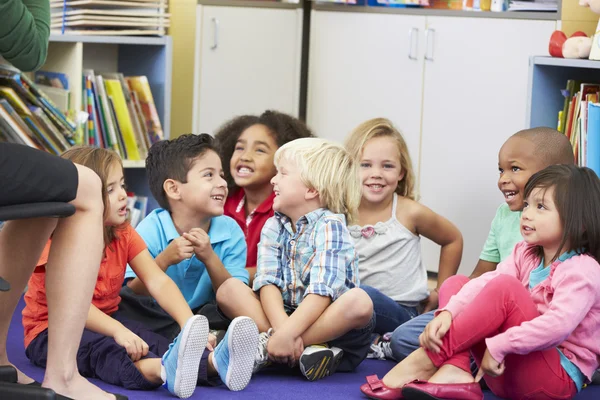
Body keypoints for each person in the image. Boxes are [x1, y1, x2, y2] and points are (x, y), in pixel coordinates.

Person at [22, 147, 259, 398]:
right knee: (107, 351)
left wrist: (189, 324)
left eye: (122, 185)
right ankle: (163, 370)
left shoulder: (123, 232)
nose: (124, 195)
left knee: (155, 339)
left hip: (109, 318)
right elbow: (71, 306)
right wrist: (117, 331)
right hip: (52, 332)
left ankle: (215, 363)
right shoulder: (56, 239)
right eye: (110, 190)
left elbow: (157, 280)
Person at [362, 164, 600, 400]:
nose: (527, 213)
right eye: (527, 204)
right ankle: (456, 369)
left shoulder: (582, 269)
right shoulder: (524, 252)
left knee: (506, 288)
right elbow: (485, 282)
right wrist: (447, 312)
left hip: (551, 381)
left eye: (541, 207)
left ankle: (429, 359)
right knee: (456, 284)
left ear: (578, 223)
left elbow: (557, 327)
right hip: (501, 370)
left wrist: (499, 345)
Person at [378, 127, 575, 362]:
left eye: (514, 169)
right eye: (501, 170)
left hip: (529, 324)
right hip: (487, 313)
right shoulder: (503, 214)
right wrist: (449, 311)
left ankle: (460, 361)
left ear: (553, 174)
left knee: (440, 347)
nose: (503, 179)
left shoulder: (568, 225)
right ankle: (461, 361)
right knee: (405, 339)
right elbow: (480, 275)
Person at [217, 138, 374, 381]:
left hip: (332, 325)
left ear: (311, 189)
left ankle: (269, 350)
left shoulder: (331, 226)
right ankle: (301, 350)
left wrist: (286, 334)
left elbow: (323, 292)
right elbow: (267, 282)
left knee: (360, 302)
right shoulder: (273, 224)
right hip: (284, 315)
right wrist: (282, 330)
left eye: (282, 173)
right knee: (228, 289)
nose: (273, 180)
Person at [118, 134, 248, 336]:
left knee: (229, 314)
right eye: (209, 175)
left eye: (221, 174)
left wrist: (209, 257)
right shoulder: (151, 228)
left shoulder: (230, 231)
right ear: (174, 189)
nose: (223, 183)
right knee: (126, 306)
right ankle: (201, 344)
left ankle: (206, 341)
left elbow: (235, 293)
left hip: (207, 314)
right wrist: (164, 260)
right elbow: (134, 291)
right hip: (160, 314)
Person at [345, 118, 462, 339]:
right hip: (350, 310)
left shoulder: (409, 212)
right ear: (349, 168)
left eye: (387, 166)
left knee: (362, 295)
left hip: (401, 312)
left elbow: (452, 239)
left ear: (401, 172)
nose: (376, 173)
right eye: (365, 164)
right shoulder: (340, 213)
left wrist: (440, 291)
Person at [215, 110, 313, 286]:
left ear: (283, 162)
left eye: (260, 150)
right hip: (220, 292)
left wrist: (222, 274)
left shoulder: (288, 208)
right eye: (239, 148)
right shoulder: (220, 202)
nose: (245, 156)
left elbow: (285, 266)